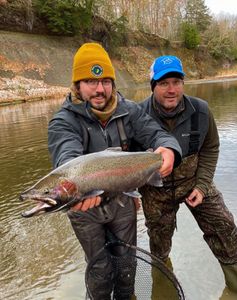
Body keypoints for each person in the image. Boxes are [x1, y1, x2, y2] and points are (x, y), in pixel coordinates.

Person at [48, 43, 182, 300]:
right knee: (99, 270)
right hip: (85, 208)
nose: (100, 89)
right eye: (90, 81)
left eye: (106, 81)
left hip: (123, 201)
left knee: (127, 265)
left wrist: (169, 150)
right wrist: (78, 189)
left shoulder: (130, 110)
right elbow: (66, 157)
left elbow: (157, 134)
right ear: (77, 85)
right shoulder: (63, 121)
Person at [138, 55, 237, 297]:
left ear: (183, 83)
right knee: (159, 242)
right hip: (155, 190)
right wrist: (133, 193)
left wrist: (203, 186)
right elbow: (127, 161)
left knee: (224, 225)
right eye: (164, 83)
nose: (171, 89)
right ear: (153, 85)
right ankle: (164, 288)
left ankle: (236, 290)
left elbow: (210, 148)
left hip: (195, 181)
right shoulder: (137, 115)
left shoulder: (201, 110)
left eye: (176, 81)